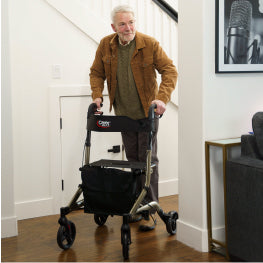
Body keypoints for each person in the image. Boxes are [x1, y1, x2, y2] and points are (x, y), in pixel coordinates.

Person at [90, 5, 178, 231]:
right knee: (133, 161)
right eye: (122, 24)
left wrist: (161, 99)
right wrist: (97, 96)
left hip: (146, 114)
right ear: (114, 27)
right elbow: (96, 72)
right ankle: (136, 206)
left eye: (131, 22)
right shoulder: (106, 45)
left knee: (148, 161)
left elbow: (169, 70)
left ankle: (149, 211)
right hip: (123, 114)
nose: (128, 28)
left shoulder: (149, 44)